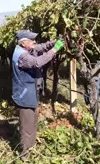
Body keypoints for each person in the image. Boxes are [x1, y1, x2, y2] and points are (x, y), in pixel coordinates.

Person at [11, 30, 64, 161]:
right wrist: (55, 49)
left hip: (30, 94)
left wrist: (55, 42)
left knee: (33, 123)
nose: (34, 42)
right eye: (31, 40)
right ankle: (25, 156)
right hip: (24, 97)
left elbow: (40, 47)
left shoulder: (26, 49)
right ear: (24, 43)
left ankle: (31, 149)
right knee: (27, 128)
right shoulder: (22, 56)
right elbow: (37, 62)